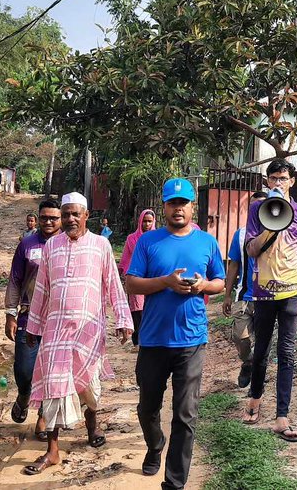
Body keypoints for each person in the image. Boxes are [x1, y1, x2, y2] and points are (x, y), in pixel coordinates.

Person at [125, 178, 225, 490]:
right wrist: (166, 282)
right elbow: (132, 283)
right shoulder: (148, 242)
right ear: (164, 206)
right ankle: (155, 444)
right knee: (147, 408)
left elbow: (220, 282)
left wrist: (202, 286)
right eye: (172, 203)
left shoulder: (207, 242)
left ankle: (174, 483)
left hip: (192, 340)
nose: (178, 208)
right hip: (154, 339)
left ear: (193, 206)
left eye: (183, 203)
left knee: (185, 414)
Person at [23, 192, 133, 475]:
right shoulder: (51, 247)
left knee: (89, 386)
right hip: (56, 329)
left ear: (86, 216)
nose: (70, 219)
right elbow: (42, 290)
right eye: (66, 214)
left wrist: (123, 318)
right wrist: (33, 327)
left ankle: (92, 423)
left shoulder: (101, 245)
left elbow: (113, 284)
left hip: (89, 329)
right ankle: (53, 450)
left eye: (75, 214)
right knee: (55, 385)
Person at [240, 161, 297, 443]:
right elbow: (250, 250)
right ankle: (255, 397)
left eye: (283, 178)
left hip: (292, 290)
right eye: (274, 178)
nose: (278, 183)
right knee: (261, 350)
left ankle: (282, 415)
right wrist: (271, 225)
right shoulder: (256, 211)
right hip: (263, 291)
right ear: (267, 181)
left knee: (288, 353)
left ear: (292, 181)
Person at [5, 199, 62, 442]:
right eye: (44, 217)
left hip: (58, 320)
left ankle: (42, 418)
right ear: (38, 218)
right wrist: (10, 313)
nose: (48, 222)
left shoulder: (67, 245)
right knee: (25, 370)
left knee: (51, 372)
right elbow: (15, 279)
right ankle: (24, 395)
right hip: (29, 316)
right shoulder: (27, 244)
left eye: (53, 218)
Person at [222, 190, 268, 388]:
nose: (257, 210)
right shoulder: (240, 235)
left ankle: (257, 384)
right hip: (244, 296)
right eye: (253, 206)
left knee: (263, 344)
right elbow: (234, 264)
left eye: (261, 206)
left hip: (268, 298)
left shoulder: (275, 233)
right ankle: (247, 362)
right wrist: (227, 295)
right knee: (240, 337)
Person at [118, 209, 157, 347]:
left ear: (153, 222)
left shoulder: (158, 238)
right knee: (138, 311)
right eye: (144, 221)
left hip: (154, 279)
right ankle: (138, 341)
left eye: (149, 221)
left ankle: (151, 340)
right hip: (137, 278)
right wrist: (121, 270)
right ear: (140, 221)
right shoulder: (132, 239)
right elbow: (126, 258)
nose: (147, 224)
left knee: (152, 309)